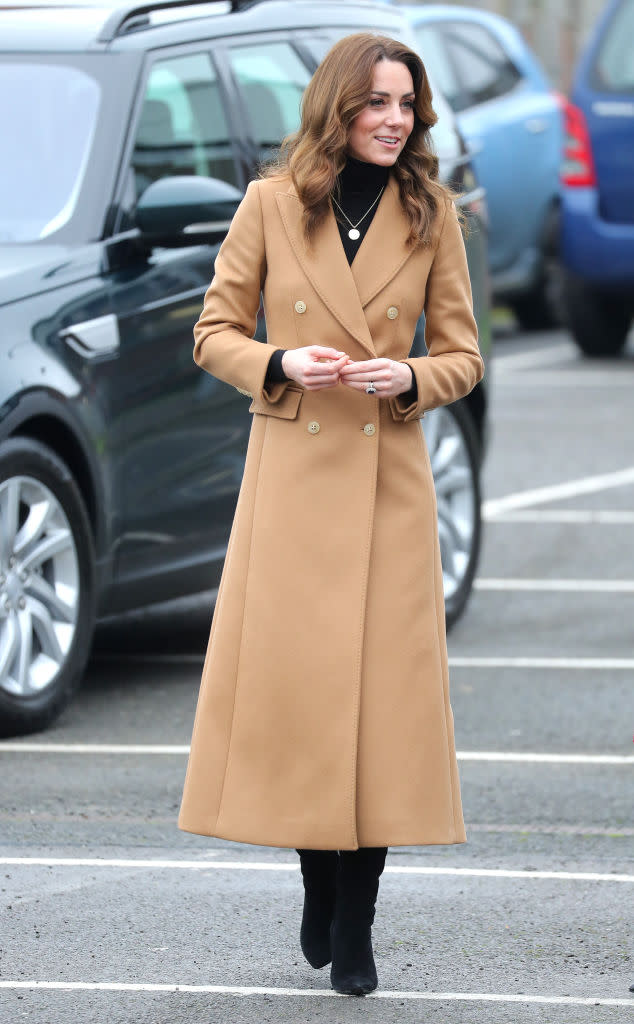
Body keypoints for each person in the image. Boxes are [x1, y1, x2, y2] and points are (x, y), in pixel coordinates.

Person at [179, 32, 484, 996]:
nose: (396, 120)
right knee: (307, 706)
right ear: (339, 107)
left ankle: (357, 924)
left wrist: (408, 375)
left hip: (388, 484)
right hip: (295, 486)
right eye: (378, 103)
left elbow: (466, 358)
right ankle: (317, 879)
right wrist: (278, 362)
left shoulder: (431, 216)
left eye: (408, 105)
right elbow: (212, 332)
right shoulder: (271, 204)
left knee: (383, 718)